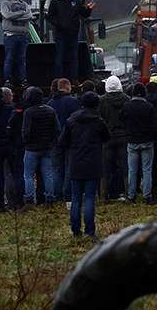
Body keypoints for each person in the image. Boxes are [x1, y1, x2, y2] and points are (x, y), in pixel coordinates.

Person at [58, 92, 109, 238]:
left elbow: (62, 142)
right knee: (89, 198)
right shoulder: (98, 121)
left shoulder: (71, 120)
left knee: (76, 199)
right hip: (93, 162)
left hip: (76, 162)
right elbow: (107, 137)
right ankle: (89, 231)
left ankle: (75, 230)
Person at [48, 0, 94, 81]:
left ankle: (73, 78)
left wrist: (89, 9)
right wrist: (59, 25)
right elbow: (50, 17)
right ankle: (59, 79)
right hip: (60, 34)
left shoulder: (75, 1)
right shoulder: (55, 2)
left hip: (73, 35)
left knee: (74, 57)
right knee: (59, 57)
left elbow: (84, 14)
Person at [21, 87, 60, 206]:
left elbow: (26, 131)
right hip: (47, 147)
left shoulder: (29, 112)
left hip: (32, 148)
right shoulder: (50, 110)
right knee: (48, 174)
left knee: (28, 175)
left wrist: (26, 142)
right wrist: (52, 142)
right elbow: (57, 129)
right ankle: (49, 198)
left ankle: (29, 199)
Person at [121, 83, 157, 203]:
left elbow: (121, 120)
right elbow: (156, 125)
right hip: (147, 141)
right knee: (147, 169)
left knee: (132, 170)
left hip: (132, 141)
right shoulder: (149, 107)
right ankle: (147, 195)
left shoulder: (127, 106)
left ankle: (131, 195)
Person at [48, 78, 81, 202]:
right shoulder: (73, 102)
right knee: (69, 168)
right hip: (70, 140)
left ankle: (57, 195)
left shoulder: (51, 103)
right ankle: (68, 195)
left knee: (56, 168)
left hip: (55, 141)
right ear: (68, 87)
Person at [98, 75, 130, 201]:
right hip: (123, 136)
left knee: (105, 167)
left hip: (107, 138)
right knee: (125, 167)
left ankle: (103, 196)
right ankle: (128, 193)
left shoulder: (102, 101)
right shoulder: (127, 99)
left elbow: (100, 118)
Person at [1, 0, 33, 86]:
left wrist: (14, 16)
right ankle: (7, 81)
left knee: (22, 59)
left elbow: (30, 16)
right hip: (10, 36)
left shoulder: (25, 4)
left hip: (24, 36)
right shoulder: (5, 3)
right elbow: (6, 15)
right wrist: (21, 13)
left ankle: (22, 80)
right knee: (9, 58)